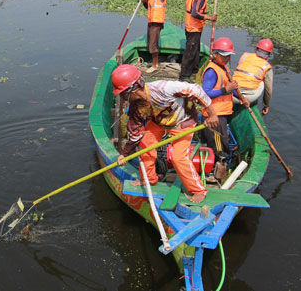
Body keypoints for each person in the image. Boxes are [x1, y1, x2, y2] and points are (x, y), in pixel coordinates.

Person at [112, 64, 219, 203]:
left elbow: (196, 90)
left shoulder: (163, 88)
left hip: (183, 122)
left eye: (124, 93)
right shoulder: (136, 107)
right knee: (144, 146)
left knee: (178, 157)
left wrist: (212, 114)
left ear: (133, 88)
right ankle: (149, 180)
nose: (123, 97)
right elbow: (135, 131)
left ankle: (198, 190)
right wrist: (125, 154)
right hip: (158, 122)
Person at [201, 37, 250, 178]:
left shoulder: (224, 69)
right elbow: (205, 93)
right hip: (213, 115)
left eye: (228, 56)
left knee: (219, 140)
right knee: (219, 145)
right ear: (215, 54)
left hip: (222, 112)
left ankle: (214, 164)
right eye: (223, 56)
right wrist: (225, 90)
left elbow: (232, 88)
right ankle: (215, 169)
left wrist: (241, 98)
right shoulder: (211, 71)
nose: (226, 58)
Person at [179, 0, 217, 82]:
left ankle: (195, 70)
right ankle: (184, 75)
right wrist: (209, 17)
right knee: (190, 51)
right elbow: (195, 13)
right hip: (193, 27)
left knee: (195, 49)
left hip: (192, 26)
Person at [232, 39, 274, 115]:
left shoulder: (245, 56)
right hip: (245, 98)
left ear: (256, 49)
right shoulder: (266, 66)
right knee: (263, 82)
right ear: (269, 54)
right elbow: (269, 91)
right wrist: (266, 106)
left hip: (231, 93)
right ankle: (253, 102)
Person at [141, 0, 167, 73]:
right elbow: (149, 7)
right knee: (150, 42)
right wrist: (144, 3)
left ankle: (155, 65)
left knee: (153, 43)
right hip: (151, 20)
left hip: (157, 21)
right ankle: (154, 61)